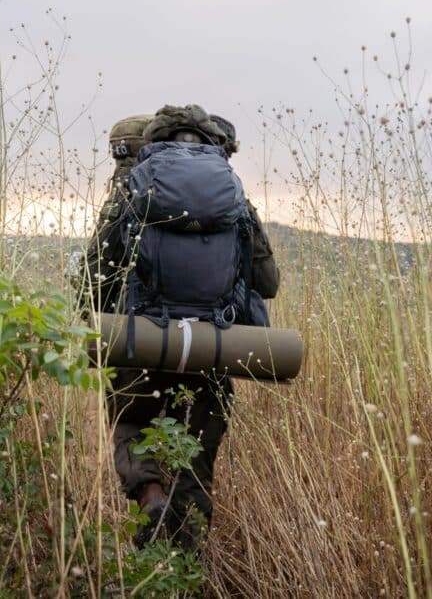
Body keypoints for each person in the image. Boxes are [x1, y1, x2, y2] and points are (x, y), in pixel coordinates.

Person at [75, 105, 280, 549]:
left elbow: (94, 277)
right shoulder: (233, 197)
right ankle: (187, 568)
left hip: (141, 344)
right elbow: (268, 282)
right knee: (196, 463)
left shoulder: (134, 190)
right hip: (212, 350)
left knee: (129, 425)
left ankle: (148, 494)